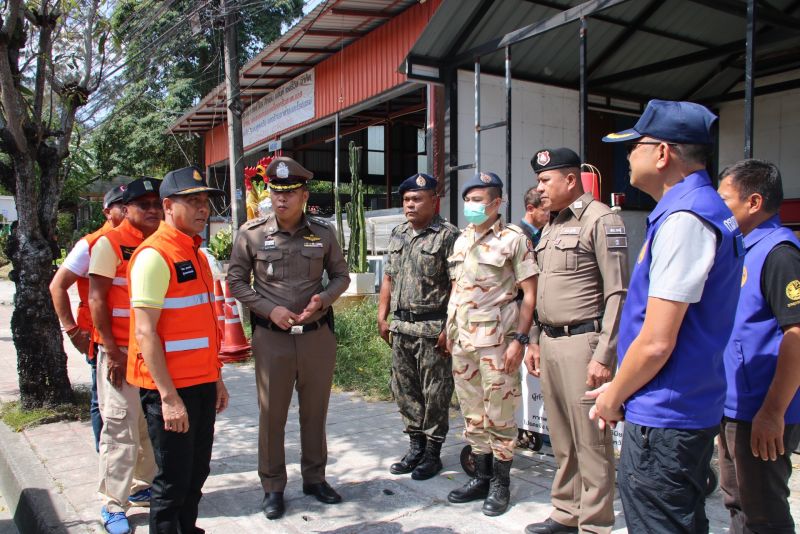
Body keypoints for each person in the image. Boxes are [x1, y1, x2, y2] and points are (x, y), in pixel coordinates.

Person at [589, 100, 744, 533]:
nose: (629, 157)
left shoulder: (685, 219)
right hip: (686, 404)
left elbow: (657, 341)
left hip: (665, 414)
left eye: (635, 146)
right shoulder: (701, 210)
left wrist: (613, 395)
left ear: (662, 154)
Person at [227, 156, 350, 520]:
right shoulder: (250, 234)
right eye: (275, 192)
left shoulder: (324, 233)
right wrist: (269, 309)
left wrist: (324, 299)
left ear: (304, 194)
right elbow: (235, 281)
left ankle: (314, 478)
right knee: (272, 415)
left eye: (290, 193)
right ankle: (273, 487)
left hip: (316, 337)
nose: (281, 200)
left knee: (315, 413)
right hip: (272, 339)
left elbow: (341, 276)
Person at [524, 148, 629, 534]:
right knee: (562, 437)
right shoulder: (551, 225)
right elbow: (542, 291)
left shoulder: (600, 220)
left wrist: (605, 353)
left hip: (584, 344)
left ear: (571, 180)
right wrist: (534, 339)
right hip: (550, 343)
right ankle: (566, 512)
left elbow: (618, 292)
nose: (539, 188)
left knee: (592, 441)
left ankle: (595, 523)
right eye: (538, 180)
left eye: (545, 180)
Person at [126, 166, 230, 533]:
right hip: (170, 390)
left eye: (205, 201)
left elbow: (203, 328)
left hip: (200, 383)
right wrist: (168, 398)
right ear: (168, 206)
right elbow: (145, 332)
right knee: (171, 482)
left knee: (196, 473)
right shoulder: (155, 255)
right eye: (193, 201)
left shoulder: (197, 254)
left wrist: (216, 378)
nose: (203, 209)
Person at [445, 171, 537, 516]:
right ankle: (481, 477)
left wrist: (521, 340)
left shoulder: (514, 239)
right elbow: (458, 288)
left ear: (497, 203)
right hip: (463, 341)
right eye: (468, 200)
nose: (471, 206)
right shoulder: (461, 239)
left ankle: (501, 484)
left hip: (497, 342)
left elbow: (530, 294)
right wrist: (448, 327)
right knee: (472, 411)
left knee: (499, 413)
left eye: (478, 200)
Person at [716, 159, 800, 534]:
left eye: (725, 200)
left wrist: (772, 411)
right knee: (738, 502)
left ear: (752, 202)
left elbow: (796, 336)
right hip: (734, 405)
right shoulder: (743, 247)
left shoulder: (780, 253)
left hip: (761, 411)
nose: (719, 209)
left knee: (765, 512)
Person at [89, 177, 161, 534]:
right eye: (142, 204)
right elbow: (97, 300)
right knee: (119, 429)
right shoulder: (110, 243)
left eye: (155, 204)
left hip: (152, 356)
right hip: (119, 354)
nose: (151, 210)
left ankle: (140, 486)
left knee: (147, 426)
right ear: (126, 208)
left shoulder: (161, 242)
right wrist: (112, 352)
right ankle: (113, 505)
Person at [377, 173, 459, 481]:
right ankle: (415, 445)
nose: (410, 205)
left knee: (435, 392)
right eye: (406, 200)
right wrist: (381, 316)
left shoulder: (448, 235)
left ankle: (433, 452)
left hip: (433, 327)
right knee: (405, 390)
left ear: (433, 200)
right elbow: (389, 277)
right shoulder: (398, 233)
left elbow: (456, 285)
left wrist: (449, 327)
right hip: (401, 327)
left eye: (417, 199)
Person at [50, 183, 126, 451]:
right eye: (121, 206)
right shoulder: (91, 244)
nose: (128, 210)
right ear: (107, 211)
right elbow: (57, 286)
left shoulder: (141, 241)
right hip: (98, 336)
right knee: (103, 400)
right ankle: (105, 455)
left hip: (132, 338)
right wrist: (72, 331)